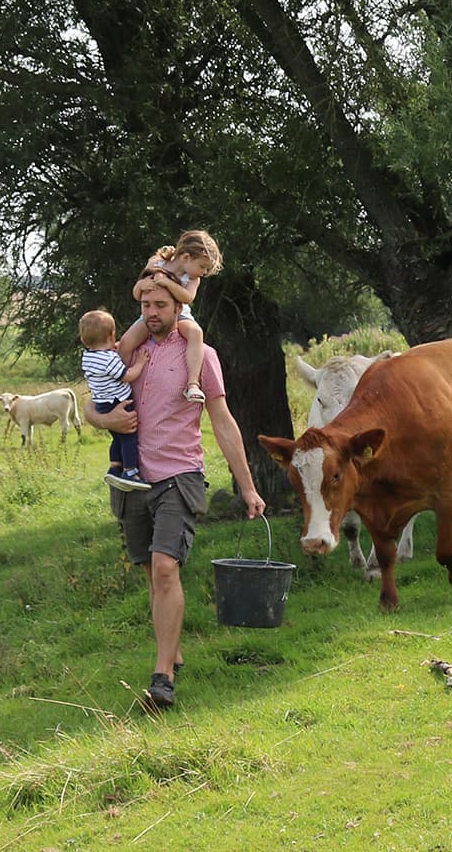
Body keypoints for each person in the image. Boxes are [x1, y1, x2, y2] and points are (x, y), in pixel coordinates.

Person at [85, 276, 266, 711]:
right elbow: (94, 402)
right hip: (132, 480)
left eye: (161, 304)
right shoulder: (127, 352)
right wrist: (105, 423)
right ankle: (174, 649)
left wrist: (247, 487)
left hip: (179, 475)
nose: (152, 312)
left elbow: (222, 420)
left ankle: (162, 675)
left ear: (178, 306)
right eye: (145, 304)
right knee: (151, 572)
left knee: (166, 567)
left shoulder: (200, 355)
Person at [117, 229, 222, 405]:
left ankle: (193, 383)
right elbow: (137, 293)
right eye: (202, 267)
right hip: (151, 315)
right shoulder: (156, 263)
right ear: (186, 257)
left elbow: (187, 298)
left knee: (196, 333)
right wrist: (142, 284)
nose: (204, 272)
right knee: (127, 342)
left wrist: (166, 283)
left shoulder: (192, 279)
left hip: (181, 316)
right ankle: (118, 382)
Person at [79, 308, 151, 492]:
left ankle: (114, 466)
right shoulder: (110, 359)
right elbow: (127, 376)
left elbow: (103, 362)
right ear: (112, 335)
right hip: (119, 401)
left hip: (103, 404)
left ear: (83, 339)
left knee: (117, 438)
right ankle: (130, 471)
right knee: (128, 437)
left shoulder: (88, 357)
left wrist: (109, 347)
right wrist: (140, 363)